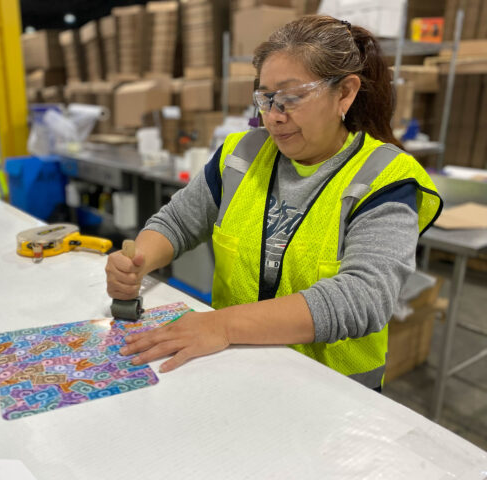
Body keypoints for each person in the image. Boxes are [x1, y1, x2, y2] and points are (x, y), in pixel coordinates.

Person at [105, 15, 442, 391]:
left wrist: (222, 324)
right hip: (237, 372)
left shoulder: (384, 177)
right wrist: (137, 262)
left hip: (333, 395)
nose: (274, 117)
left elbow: (363, 298)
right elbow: (178, 221)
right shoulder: (243, 154)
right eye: (265, 99)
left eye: (292, 98)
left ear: (345, 93)